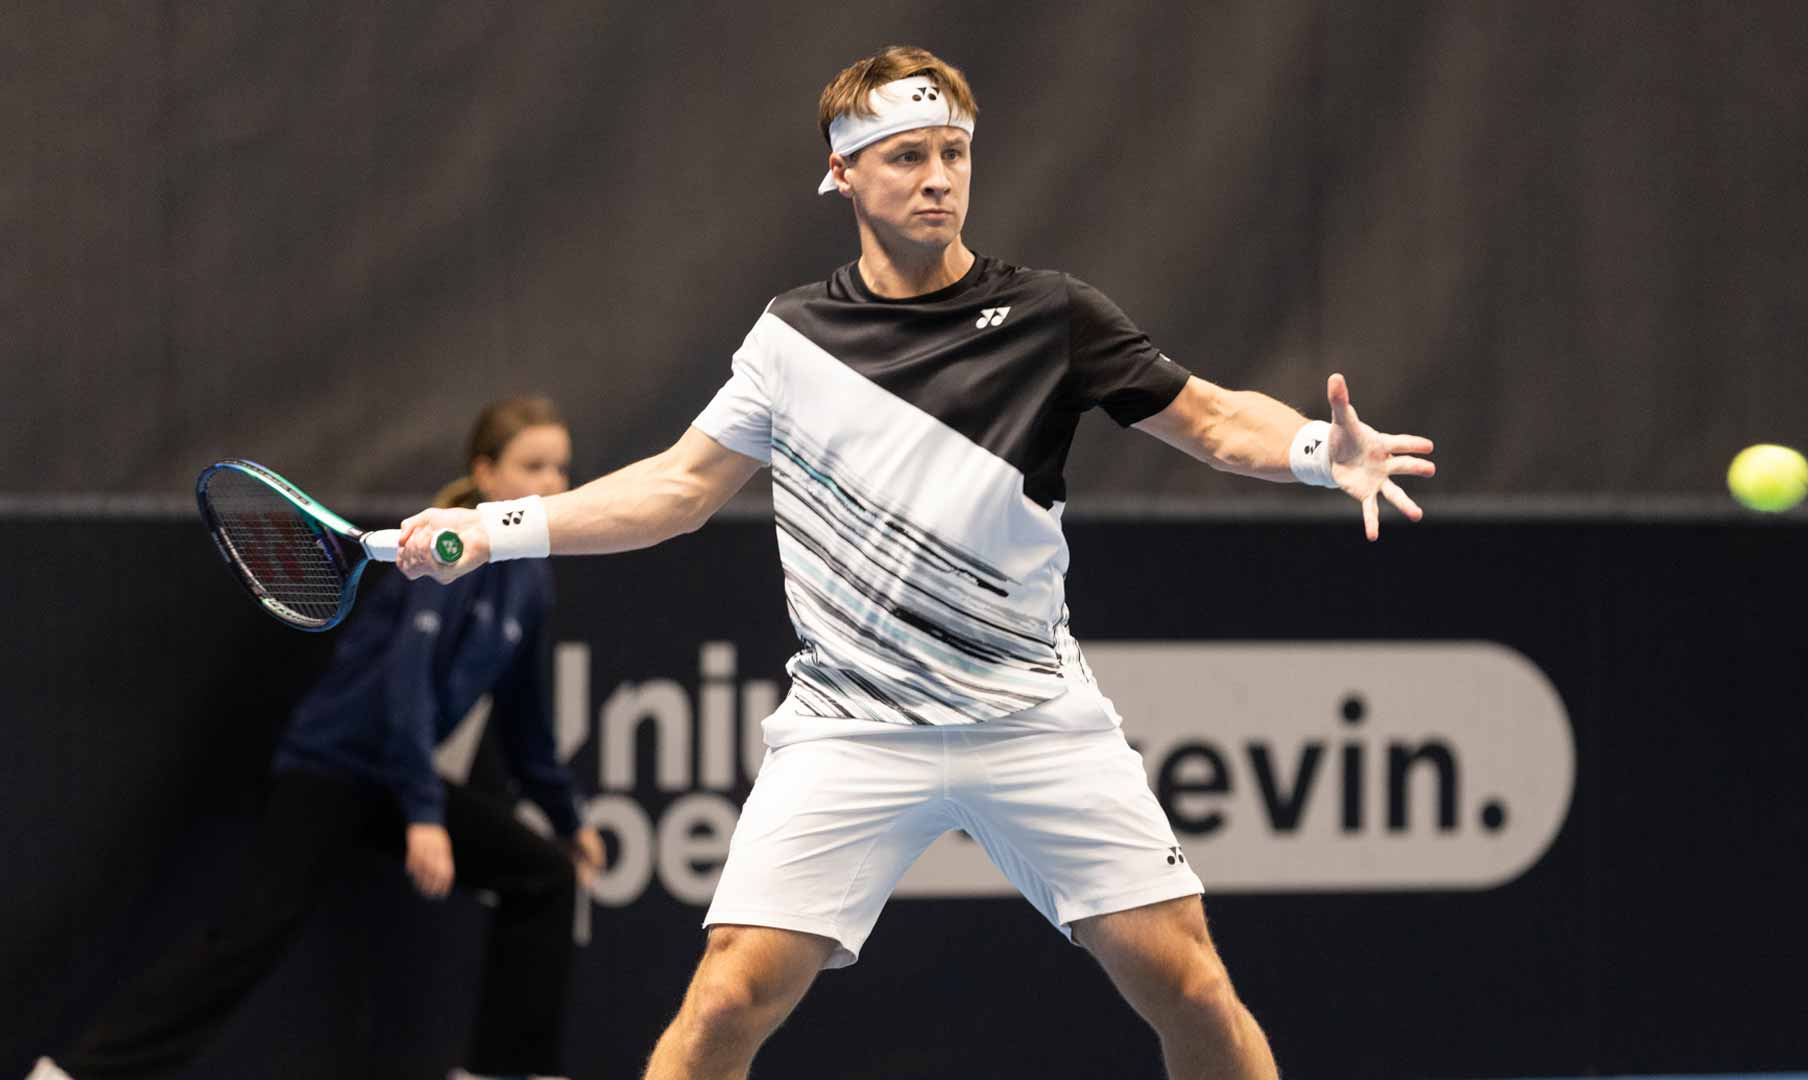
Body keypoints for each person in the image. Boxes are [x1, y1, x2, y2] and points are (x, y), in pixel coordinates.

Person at [395, 47, 1435, 1080]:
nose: (939, 177)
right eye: (905, 157)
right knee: (725, 997)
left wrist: (1311, 450)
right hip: (854, 728)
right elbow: (674, 490)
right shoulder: (789, 339)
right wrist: (498, 528)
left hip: (1031, 717)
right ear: (842, 174)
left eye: (953, 152)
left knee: (1194, 987)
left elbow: (1210, 421)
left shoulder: (1051, 317)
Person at [36, 396, 604, 1080]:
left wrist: (569, 820)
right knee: (244, 940)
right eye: (533, 465)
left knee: (544, 875)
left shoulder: (532, 579)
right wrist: (424, 816)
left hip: (397, 777)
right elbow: (405, 691)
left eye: (561, 469)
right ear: (485, 474)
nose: (552, 485)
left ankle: (503, 1073)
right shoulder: (441, 555)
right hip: (332, 767)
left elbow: (527, 721)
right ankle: (75, 1074)